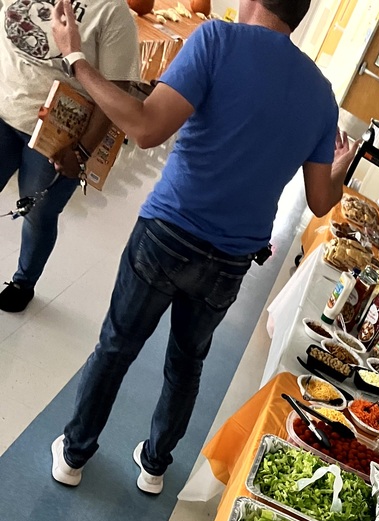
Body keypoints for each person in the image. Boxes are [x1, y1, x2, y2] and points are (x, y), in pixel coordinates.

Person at [49, 0, 357, 494]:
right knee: (187, 362)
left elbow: (147, 127)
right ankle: (154, 465)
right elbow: (321, 201)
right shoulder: (322, 97)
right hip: (230, 260)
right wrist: (340, 166)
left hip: (168, 232)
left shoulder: (216, 40)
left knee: (117, 344)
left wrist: (77, 60)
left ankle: (75, 453)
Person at [0, 0, 139, 312]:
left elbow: (117, 89)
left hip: (59, 135)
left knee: (38, 215)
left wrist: (82, 150)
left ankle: (24, 281)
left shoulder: (112, 12)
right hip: (3, 110)